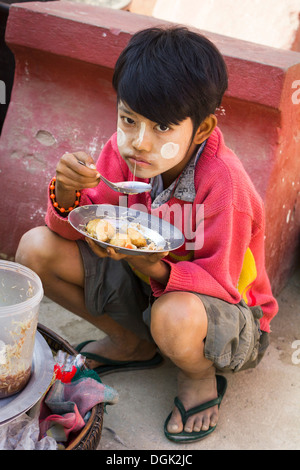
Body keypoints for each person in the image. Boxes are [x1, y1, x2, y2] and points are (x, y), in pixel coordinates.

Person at [16, 26, 278, 443]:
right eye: (128, 119)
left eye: (162, 128)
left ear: (203, 128)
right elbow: (74, 228)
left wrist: (154, 266)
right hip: (148, 285)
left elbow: (225, 287)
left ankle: (198, 377)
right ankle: (131, 342)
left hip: (229, 317)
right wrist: (66, 193)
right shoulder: (120, 154)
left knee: (172, 315)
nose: (139, 143)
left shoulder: (225, 187)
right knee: (34, 249)